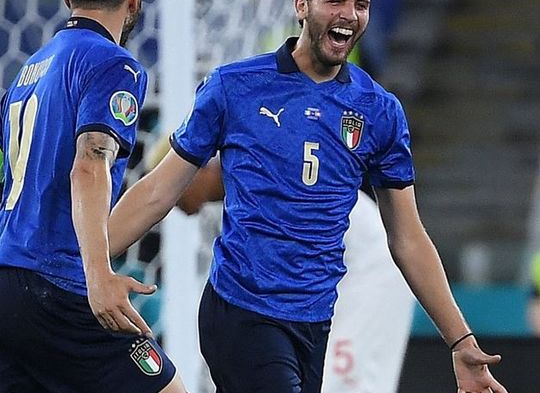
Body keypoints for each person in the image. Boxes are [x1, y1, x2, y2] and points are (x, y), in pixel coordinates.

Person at [106, 0, 508, 393]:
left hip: (314, 324)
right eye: (334, 0)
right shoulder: (234, 87)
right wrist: (89, 267)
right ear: (302, 6)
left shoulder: (379, 111)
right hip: (241, 312)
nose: (350, 14)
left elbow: (408, 238)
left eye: (361, 4)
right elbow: (161, 189)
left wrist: (460, 340)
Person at [0, 0, 185, 393]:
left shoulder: (24, 79)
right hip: (56, 288)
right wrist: (99, 277)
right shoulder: (116, 67)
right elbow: (90, 162)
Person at [144, 138, 414, 393]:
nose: (172, 204)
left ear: (196, 168)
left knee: (343, 383)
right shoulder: (243, 184)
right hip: (332, 274)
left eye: (174, 186)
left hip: (369, 267)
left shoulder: (256, 175)